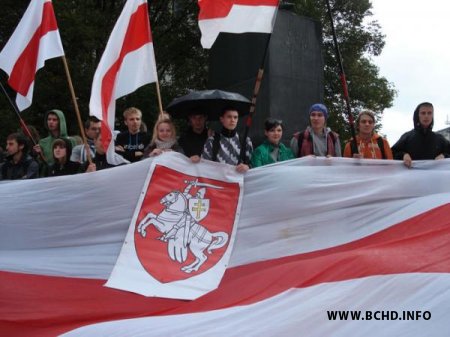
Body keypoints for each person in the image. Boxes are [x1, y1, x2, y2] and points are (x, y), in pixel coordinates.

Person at [391, 102, 450, 168]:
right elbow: (392, 153)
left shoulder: (440, 139)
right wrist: (403, 155)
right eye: (423, 113)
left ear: (432, 115)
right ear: (417, 115)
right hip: (412, 177)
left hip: (435, 177)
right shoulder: (407, 137)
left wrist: (444, 156)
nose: (426, 116)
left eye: (429, 113)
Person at [202, 107, 253, 173]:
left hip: (239, 181)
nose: (232, 120)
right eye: (229, 117)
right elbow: (204, 166)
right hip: (218, 181)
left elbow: (253, 165)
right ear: (221, 119)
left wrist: (248, 167)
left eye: (235, 117)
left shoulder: (246, 141)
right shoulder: (211, 142)